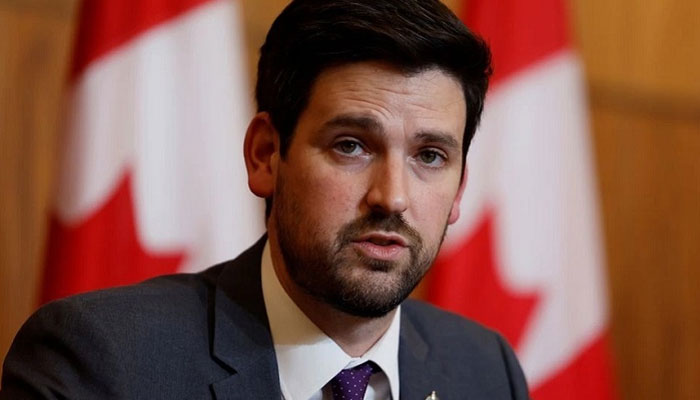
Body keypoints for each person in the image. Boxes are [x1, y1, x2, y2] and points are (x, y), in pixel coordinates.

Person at [1, 0, 530, 399]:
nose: (392, 196)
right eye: (351, 146)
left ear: (460, 188)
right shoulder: (101, 364)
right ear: (265, 155)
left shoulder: (486, 371)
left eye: (430, 156)